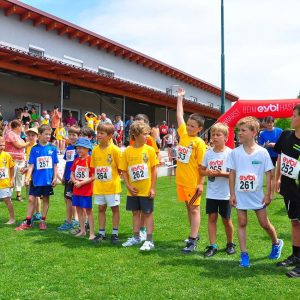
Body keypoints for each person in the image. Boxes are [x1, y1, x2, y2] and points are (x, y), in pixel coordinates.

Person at [227, 116, 284, 268]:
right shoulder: (235, 153)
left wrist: (268, 194)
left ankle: (276, 243)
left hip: (257, 196)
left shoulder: (262, 152)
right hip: (240, 195)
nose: (239, 133)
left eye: (243, 130)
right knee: (242, 222)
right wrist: (232, 193)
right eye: (239, 130)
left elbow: (269, 174)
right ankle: (244, 254)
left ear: (254, 132)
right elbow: (232, 173)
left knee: (264, 224)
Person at [176, 87, 206, 253]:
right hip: (181, 181)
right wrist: (180, 98)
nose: (188, 127)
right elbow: (179, 115)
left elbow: (202, 167)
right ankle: (193, 234)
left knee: (194, 209)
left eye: (193, 126)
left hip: (193, 183)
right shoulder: (183, 135)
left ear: (199, 128)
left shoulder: (199, 144)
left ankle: (192, 241)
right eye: (188, 124)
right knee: (189, 208)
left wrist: (200, 184)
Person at [121, 121, 158, 251]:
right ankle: (136, 237)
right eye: (144, 134)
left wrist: (152, 188)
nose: (147, 136)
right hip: (133, 191)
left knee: (148, 213)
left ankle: (149, 240)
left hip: (146, 189)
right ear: (135, 135)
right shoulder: (127, 151)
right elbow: (124, 170)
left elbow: (154, 170)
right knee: (135, 213)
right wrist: (128, 186)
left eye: (148, 134)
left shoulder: (150, 150)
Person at [199, 123, 235, 257]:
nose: (214, 137)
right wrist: (208, 172)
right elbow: (201, 171)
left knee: (226, 219)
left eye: (218, 135)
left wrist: (221, 174)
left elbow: (234, 173)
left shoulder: (230, 153)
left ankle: (230, 243)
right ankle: (213, 245)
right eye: (212, 134)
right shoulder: (208, 153)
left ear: (226, 137)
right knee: (212, 218)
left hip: (225, 194)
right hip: (212, 193)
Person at [16, 125, 59, 231]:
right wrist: (27, 178)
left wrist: (55, 177)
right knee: (31, 199)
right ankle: (28, 221)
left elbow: (55, 165)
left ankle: (43, 221)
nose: (48, 136)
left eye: (50, 134)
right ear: (39, 135)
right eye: (46, 134)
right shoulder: (34, 149)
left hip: (48, 180)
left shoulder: (52, 149)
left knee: (45, 199)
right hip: (36, 180)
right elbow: (31, 165)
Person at [274, 104, 300, 278]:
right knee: (295, 222)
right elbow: (280, 159)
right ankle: (296, 255)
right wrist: (277, 179)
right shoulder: (285, 135)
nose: (291, 118)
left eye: (294, 115)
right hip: (289, 189)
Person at [91, 123, 122, 244]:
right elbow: (94, 168)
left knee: (114, 209)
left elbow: (120, 169)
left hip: (112, 187)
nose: (98, 135)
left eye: (102, 133)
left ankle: (115, 233)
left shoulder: (115, 150)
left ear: (110, 135)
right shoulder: (95, 150)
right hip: (99, 186)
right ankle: (101, 233)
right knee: (101, 208)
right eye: (98, 132)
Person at [70, 137, 95, 240]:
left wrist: (82, 183)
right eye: (78, 148)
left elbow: (93, 176)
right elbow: (71, 173)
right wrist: (75, 181)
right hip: (77, 189)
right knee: (79, 210)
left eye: (82, 148)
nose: (79, 150)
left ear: (88, 149)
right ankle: (83, 230)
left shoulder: (90, 160)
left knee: (88, 211)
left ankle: (92, 233)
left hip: (86, 190)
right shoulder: (76, 160)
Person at [57, 126, 80, 231]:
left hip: (74, 178)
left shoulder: (79, 148)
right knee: (68, 199)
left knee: (69, 199)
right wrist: (63, 176)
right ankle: (74, 219)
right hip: (67, 177)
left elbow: (79, 164)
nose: (71, 137)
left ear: (78, 136)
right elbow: (67, 163)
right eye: (70, 135)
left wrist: (73, 176)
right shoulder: (69, 148)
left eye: (74, 135)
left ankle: (69, 221)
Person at [4, 119, 29, 201]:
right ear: (18, 126)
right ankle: (8, 195)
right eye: (21, 126)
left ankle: (18, 194)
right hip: (12, 159)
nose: (22, 127)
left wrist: (25, 144)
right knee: (11, 177)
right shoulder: (10, 134)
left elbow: (21, 145)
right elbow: (18, 145)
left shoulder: (18, 135)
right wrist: (29, 143)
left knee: (19, 177)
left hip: (20, 159)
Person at [259, 116, 283, 198]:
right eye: (268, 122)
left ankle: (279, 189)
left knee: (281, 174)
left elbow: (284, 142)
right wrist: (265, 145)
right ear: (265, 123)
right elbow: (260, 146)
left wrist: (275, 145)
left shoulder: (279, 131)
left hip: (280, 155)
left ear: (274, 122)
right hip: (269, 156)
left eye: (271, 122)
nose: (269, 124)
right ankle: (271, 194)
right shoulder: (263, 134)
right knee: (271, 175)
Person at [22, 127, 41, 222]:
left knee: (33, 196)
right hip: (29, 174)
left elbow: (36, 163)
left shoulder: (37, 147)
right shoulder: (28, 147)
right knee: (34, 195)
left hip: (35, 175)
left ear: (37, 136)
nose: (30, 137)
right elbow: (28, 162)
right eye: (29, 135)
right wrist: (25, 169)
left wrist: (27, 169)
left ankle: (34, 214)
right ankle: (37, 213)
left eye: (33, 135)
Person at [0, 136, 16, 224]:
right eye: (0, 145)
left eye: (2, 145)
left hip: (5, 183)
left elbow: (12, 167)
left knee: (7, 200)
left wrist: (12, 179)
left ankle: (12, 218)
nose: (1, 147)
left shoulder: (7, 155)